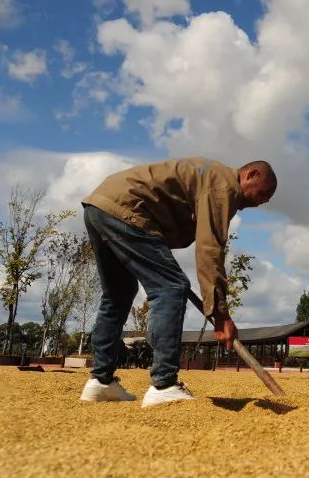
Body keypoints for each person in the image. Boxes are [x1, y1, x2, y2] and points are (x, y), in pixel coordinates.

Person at [78, 157, 277, 407]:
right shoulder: (223, 185)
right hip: (127, 209)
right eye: (265, 193)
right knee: (171, 287)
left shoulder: (210, 177)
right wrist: (220, 313)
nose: (262, 202)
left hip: (101, 206)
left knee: (118, 294)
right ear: (252, 174)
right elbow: (210, 249)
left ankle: (101, 382)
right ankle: (164, 384)